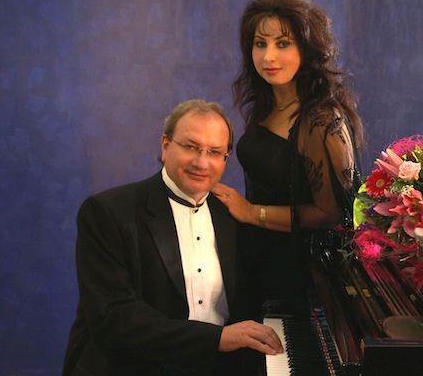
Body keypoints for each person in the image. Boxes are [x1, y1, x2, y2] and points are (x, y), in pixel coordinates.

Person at [62, 99, 283, 376]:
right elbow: (114, 318)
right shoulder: (108, 212)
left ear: (225, 159)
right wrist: (217, 339)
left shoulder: (235, 215)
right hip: (134, 366)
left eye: (214, 152)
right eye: (190, 147)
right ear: (165, 145)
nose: (201, 162)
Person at [212, 0, 364, 318]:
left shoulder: (321, 118)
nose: (268, 56)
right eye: (260, 44)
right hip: (261, 256)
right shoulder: (267, 103)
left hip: (301, 274)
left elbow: (331, 214)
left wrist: (251, 212)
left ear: (307, 49)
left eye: (283, 44)